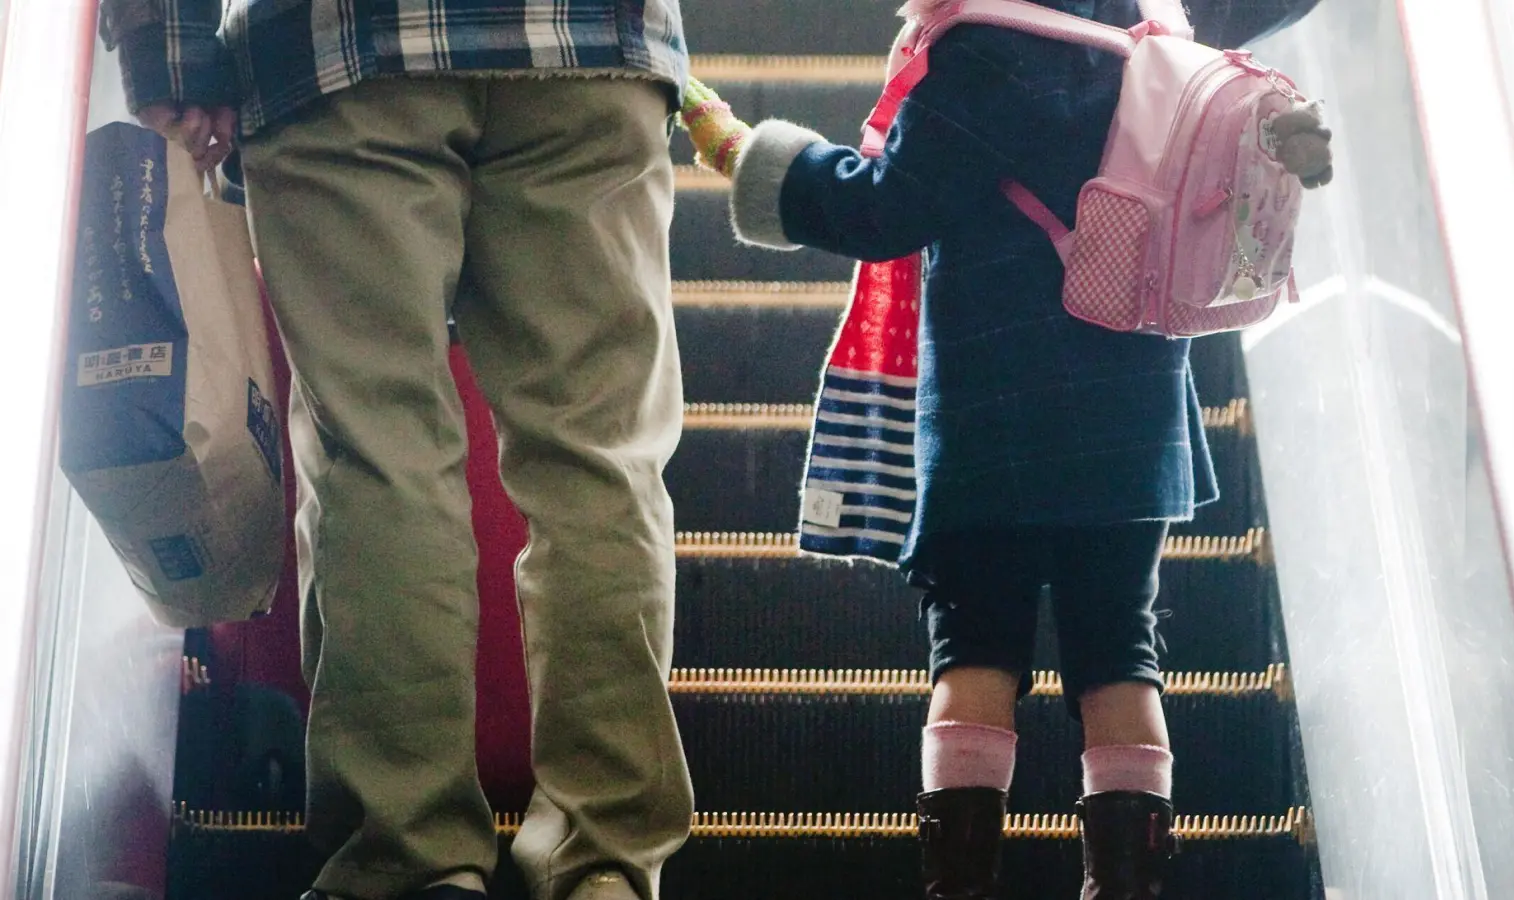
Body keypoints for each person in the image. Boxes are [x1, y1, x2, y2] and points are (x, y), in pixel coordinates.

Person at [679, 0, 1332, 897]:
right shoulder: (1154, 24)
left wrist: (744, 156)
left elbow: (882, 212)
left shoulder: (981, 52)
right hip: (1133, 412)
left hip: (993, 410)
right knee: (1120, 648)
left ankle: (962, 887)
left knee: (976, 646)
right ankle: (1128, 883)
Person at [98, 2, 696, 899]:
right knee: (599, 462)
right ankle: (604, 862)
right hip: (593, 46)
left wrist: (169, 54)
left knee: (381, 459)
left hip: (342, 49)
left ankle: (410, 861)